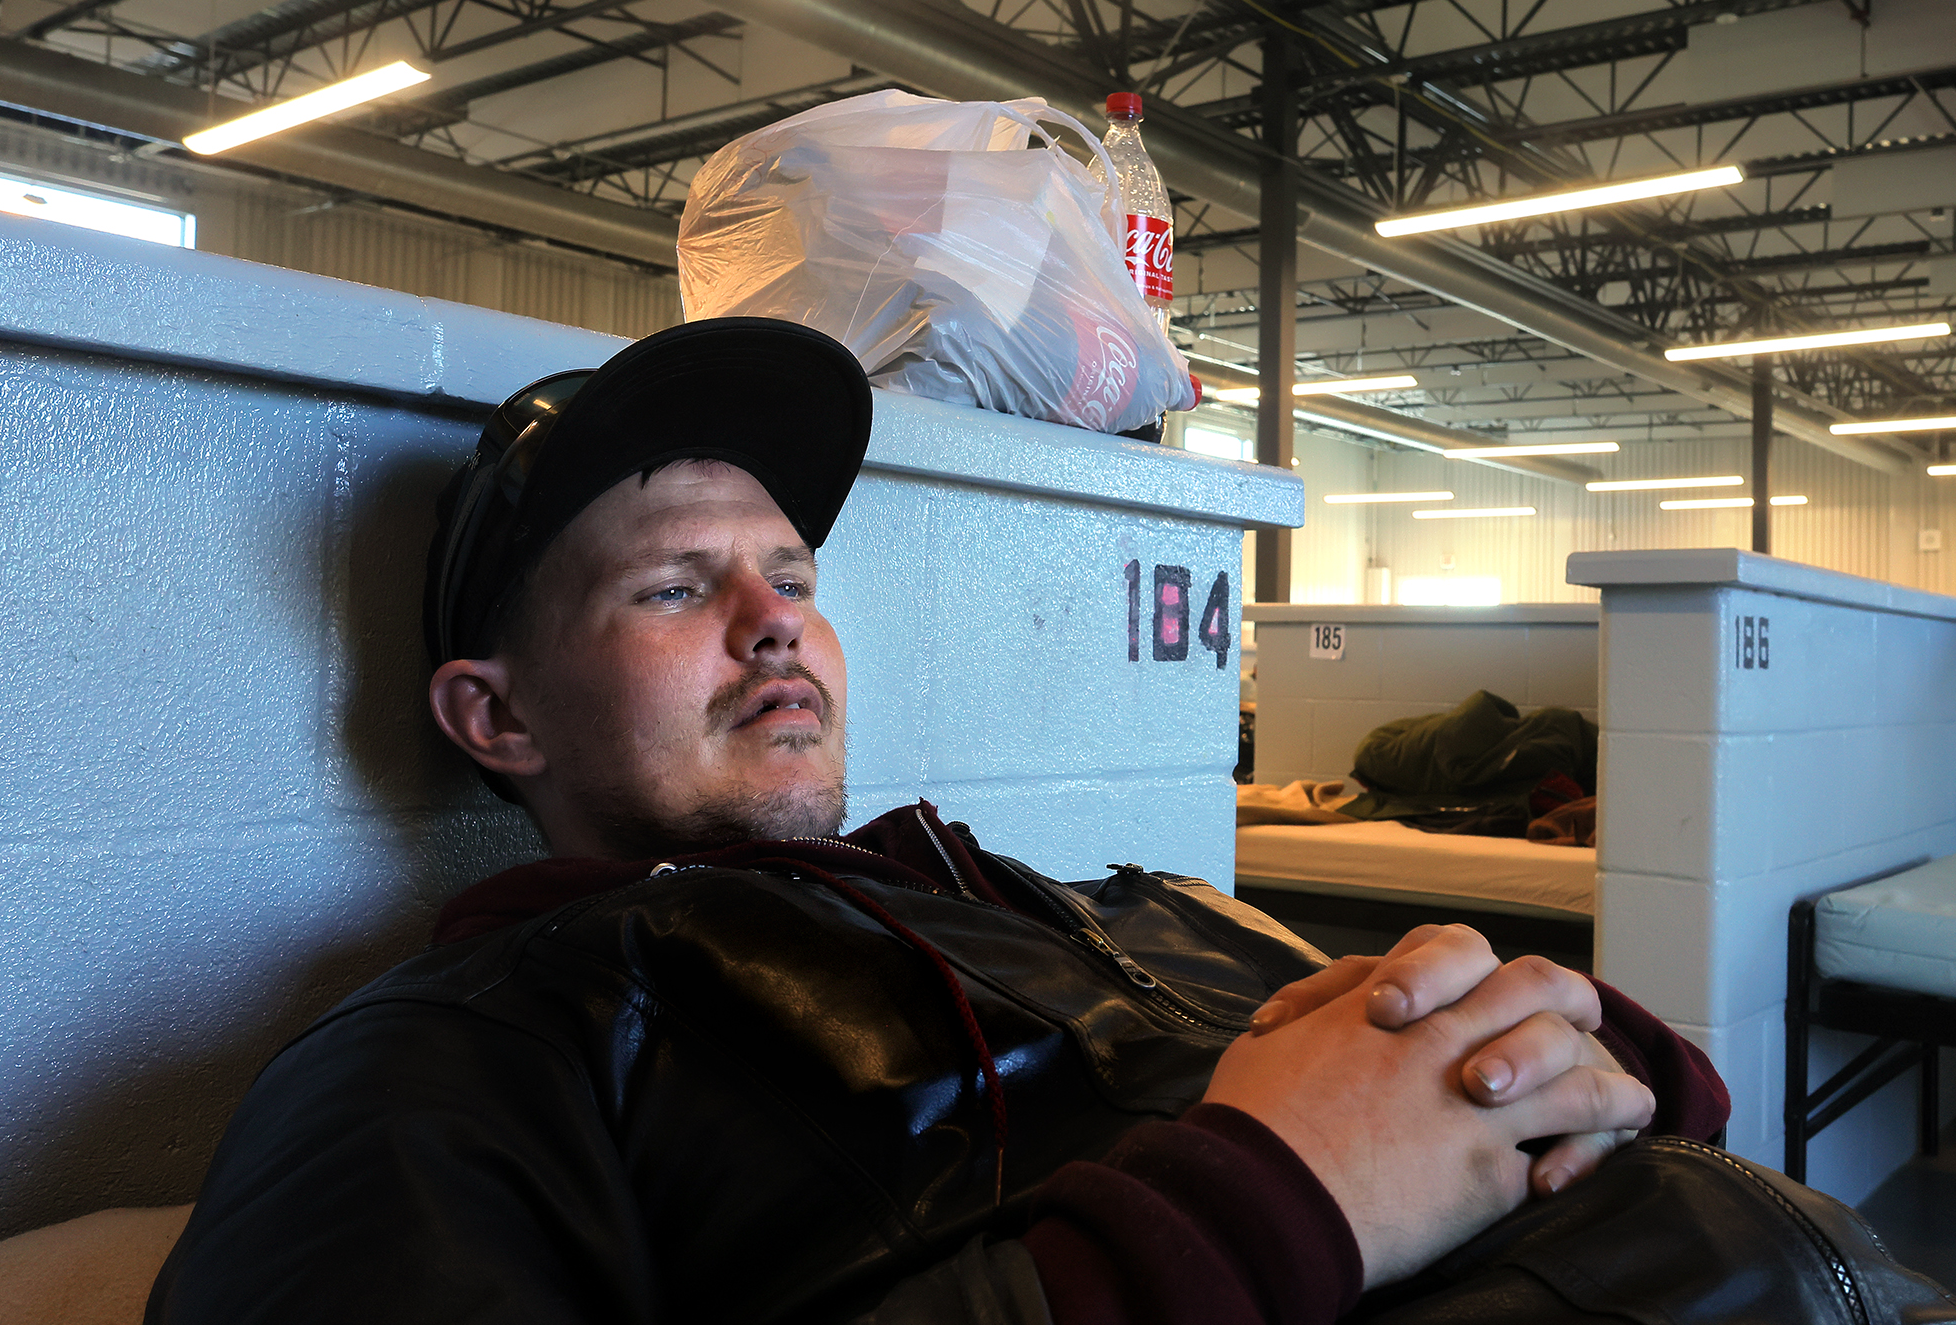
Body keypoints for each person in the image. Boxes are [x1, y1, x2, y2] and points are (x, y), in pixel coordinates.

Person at [147, 318, 1726, 1325]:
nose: (777, 622)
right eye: (678, 587)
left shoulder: (1097, 900)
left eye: (798, 578)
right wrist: (1259, 1212)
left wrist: (1588, 1054)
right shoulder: (460, 1043)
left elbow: (1574, 1094)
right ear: (496, 718)